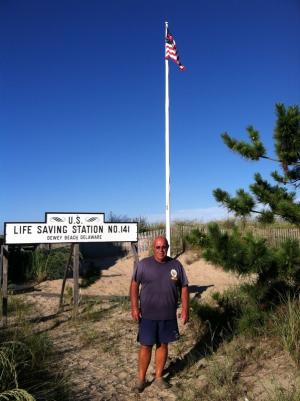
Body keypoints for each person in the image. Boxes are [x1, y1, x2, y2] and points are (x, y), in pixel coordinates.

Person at [130, 235, 189, 393]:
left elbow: (184, 286)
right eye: (158, 247)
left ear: (167, 247)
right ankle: (141, 380)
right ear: (153, 248)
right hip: (148, 316)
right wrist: (134, 307)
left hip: (168, 315)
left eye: (164, 247)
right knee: (146, 346)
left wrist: (185, 309)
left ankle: (158, 377)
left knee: (163, 345)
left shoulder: (176, 265)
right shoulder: (144, 265)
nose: (161, 250)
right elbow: (134, 285)